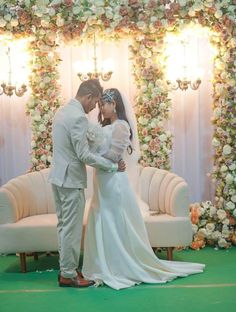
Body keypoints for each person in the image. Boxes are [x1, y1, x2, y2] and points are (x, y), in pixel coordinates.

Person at [82, 88, 205, 290]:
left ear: (115, 105)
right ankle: (103, 264)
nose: (101, 107)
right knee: (100, 217)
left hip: (114, 182)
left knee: (114, 219)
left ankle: (119, 265)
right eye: (101, 104)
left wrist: (93, 158)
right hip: (102, 180)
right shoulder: (101, 127)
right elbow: (95, 153)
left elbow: (114, 155)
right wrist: (91, 154)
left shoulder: (121, 126)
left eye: (105, 103)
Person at [48, 80, 125, 288]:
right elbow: (83, 155)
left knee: (64, 226)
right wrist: (112, 167)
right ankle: (68, 274)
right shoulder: (78, 118)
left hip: (57, 178)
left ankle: (67, 269)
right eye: (95, 102)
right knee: (71, 229)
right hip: (71, 180)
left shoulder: (61, 112)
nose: (94, 108)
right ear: (89, 96)